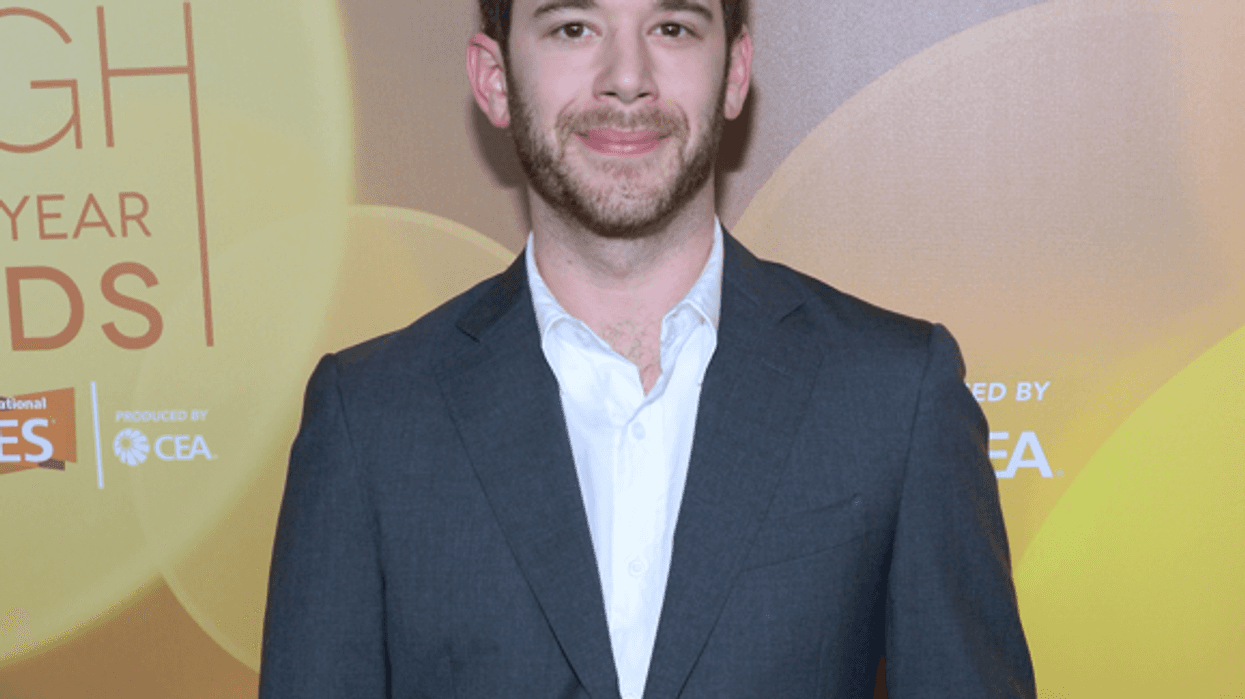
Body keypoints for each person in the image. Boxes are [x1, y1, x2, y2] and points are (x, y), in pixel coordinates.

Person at [259, 0, 1036, 697]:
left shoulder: (894, 392)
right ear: (494, 79)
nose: (625, 78)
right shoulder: (370, 419)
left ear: (733, 73)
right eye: (573, 28)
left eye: (671, 27)